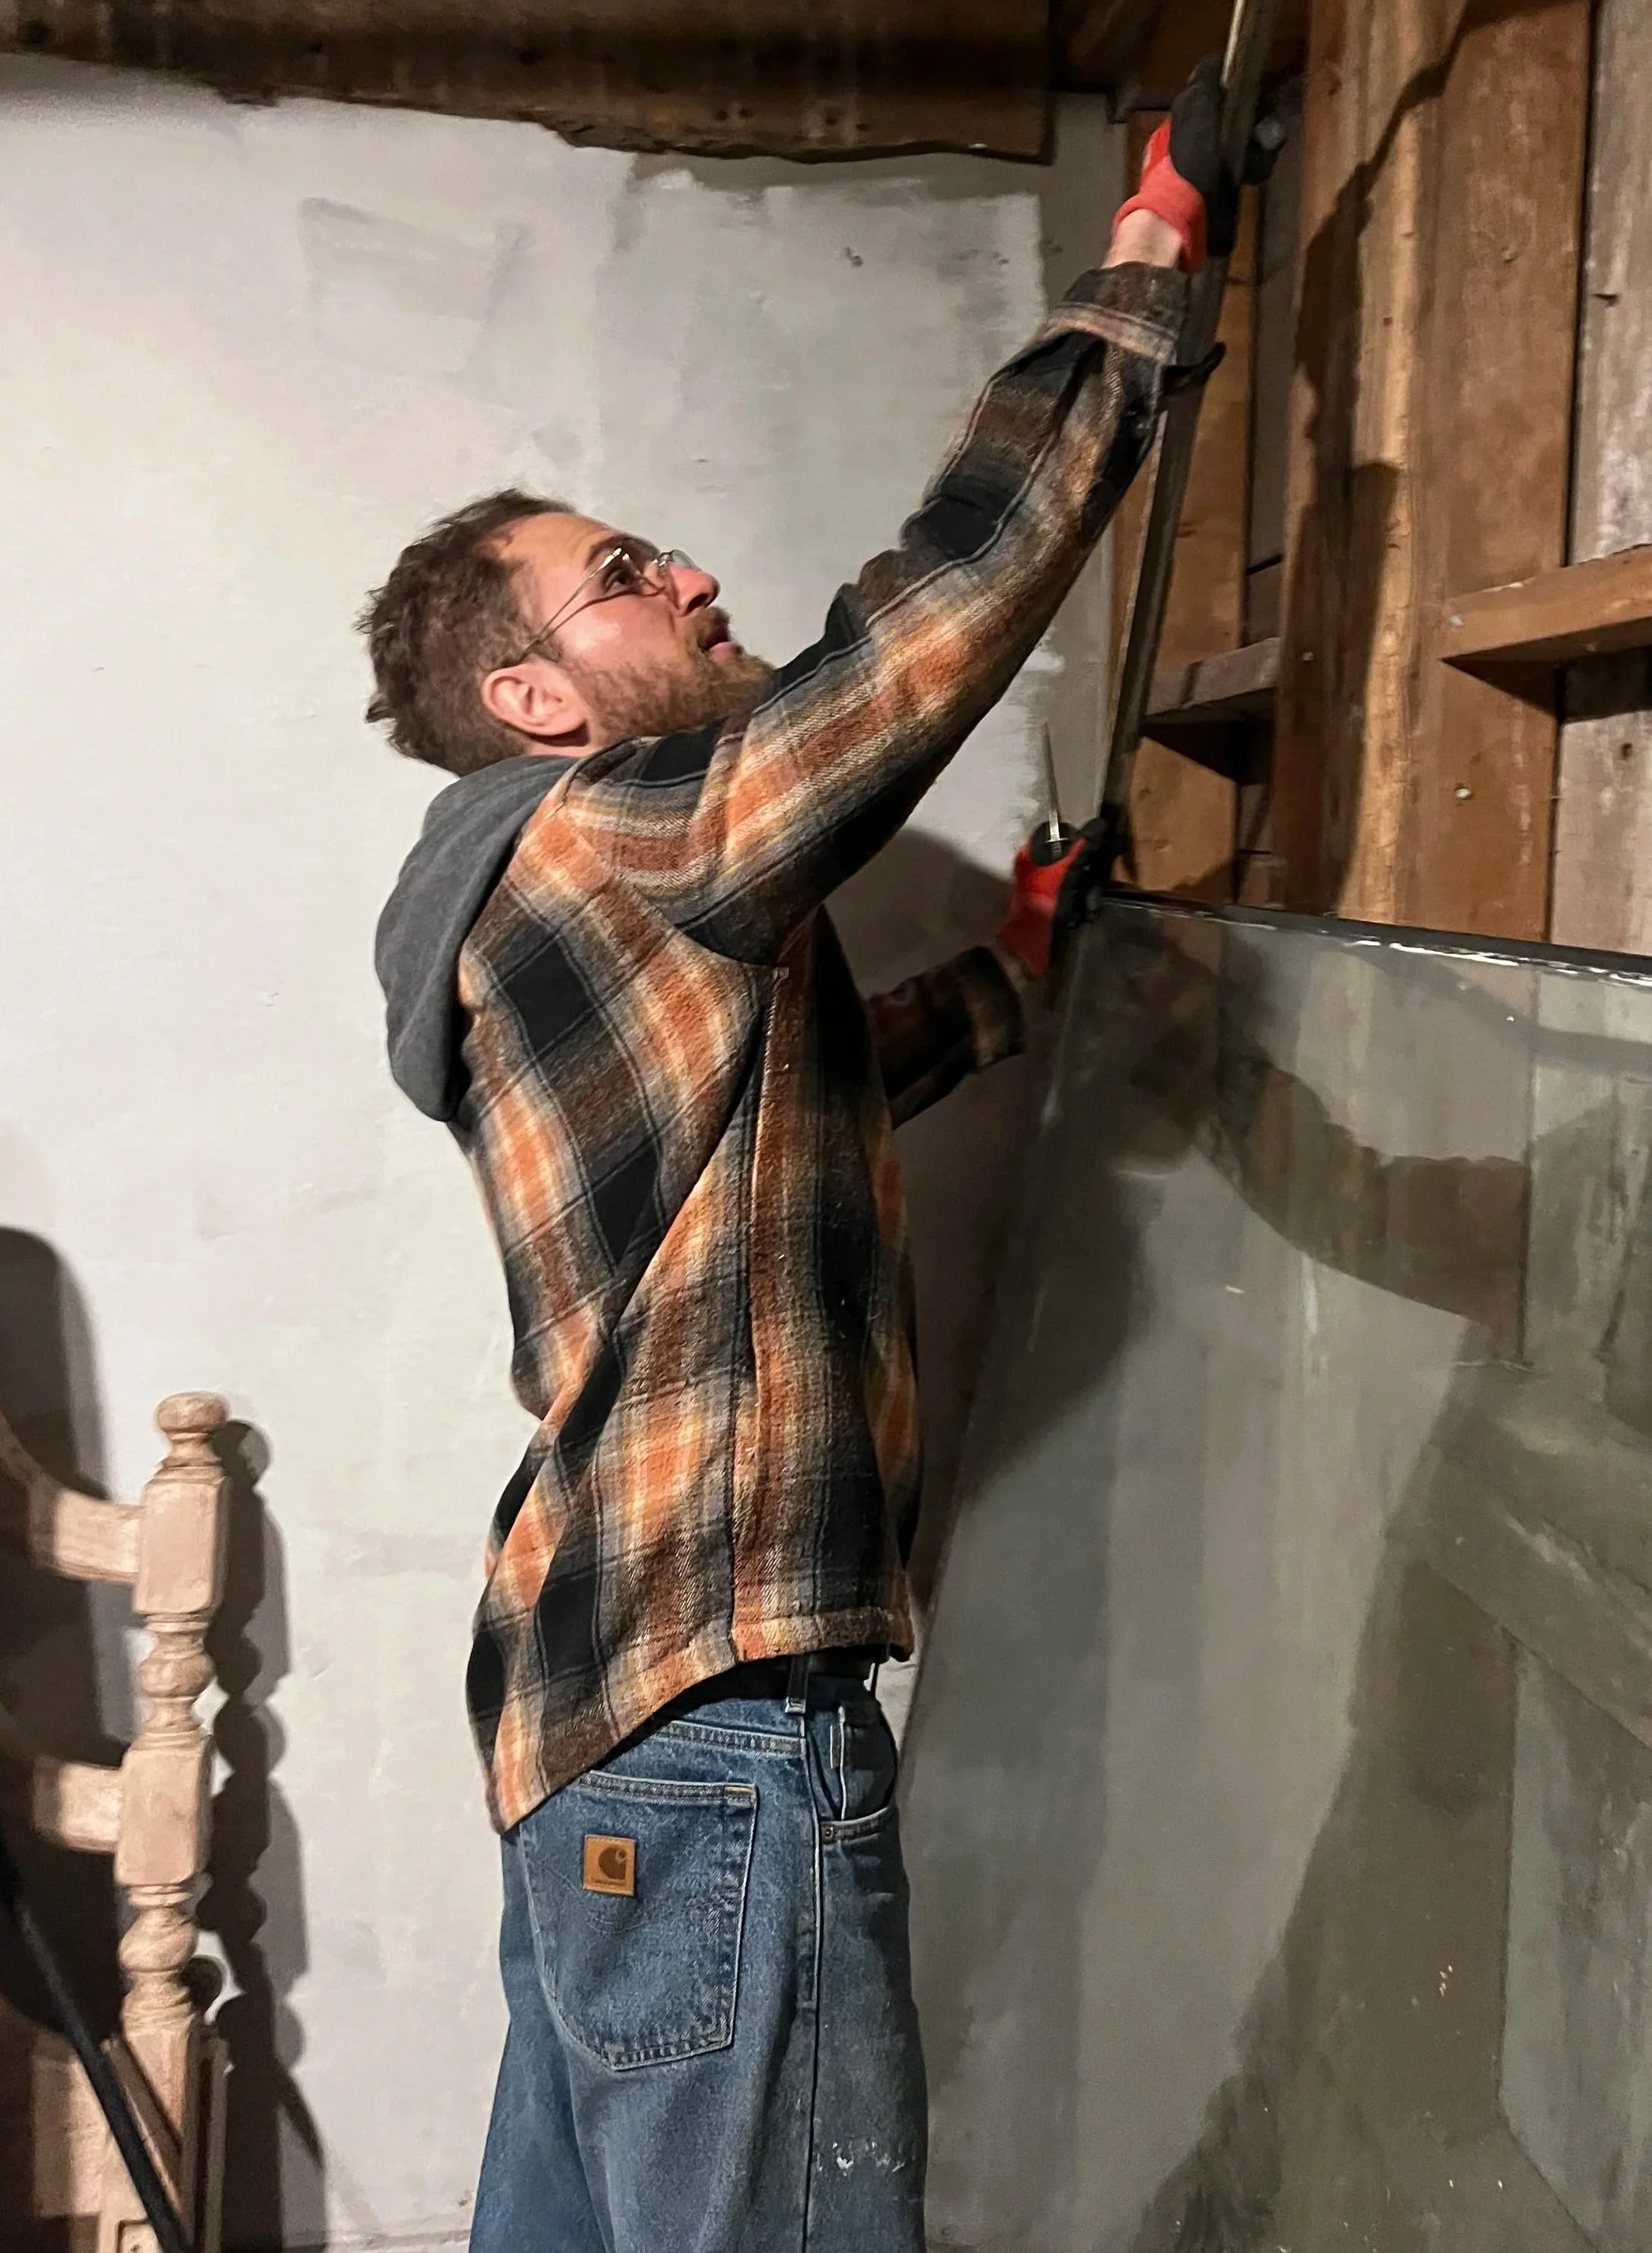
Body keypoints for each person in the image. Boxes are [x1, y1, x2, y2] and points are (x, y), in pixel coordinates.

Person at [365, 59, 1248, 2253]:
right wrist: (1135, 278)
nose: (691, 575)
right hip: (720, 1719)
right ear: (537, 699)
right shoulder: (602, 844)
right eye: (624, 575)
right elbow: (910, 646)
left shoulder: (568, 916)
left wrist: (1010, 973)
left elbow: (769, 1129)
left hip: (617, 1737)